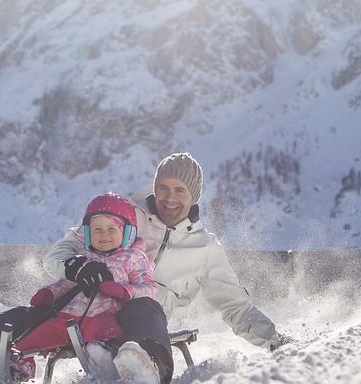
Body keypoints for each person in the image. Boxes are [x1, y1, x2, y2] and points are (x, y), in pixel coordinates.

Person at [44, 153, 289, 365]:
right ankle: (12, 358)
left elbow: (235, 306)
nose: (170, 198)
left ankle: (151, 367)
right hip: (90, 313)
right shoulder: (125, 216)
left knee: (144, 307)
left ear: (193, 195)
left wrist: (276, 342)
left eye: (180, 190)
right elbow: (59, 253)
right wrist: (75, 266)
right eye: (163, 188)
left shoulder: (205, 248)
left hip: (144, 326)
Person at [0, 193, 174, 384]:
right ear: (87, 233)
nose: (104, 235)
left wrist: (124, 291)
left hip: (117, 317)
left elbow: (148, 288)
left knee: (107, 333)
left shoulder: (134, 256)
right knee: (24, 332)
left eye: (112, 229)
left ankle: (133, 366)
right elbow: (61, 274)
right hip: (67, 315)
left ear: (129, 233)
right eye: (97, 230)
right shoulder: (84, 251)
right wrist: (52, 290)